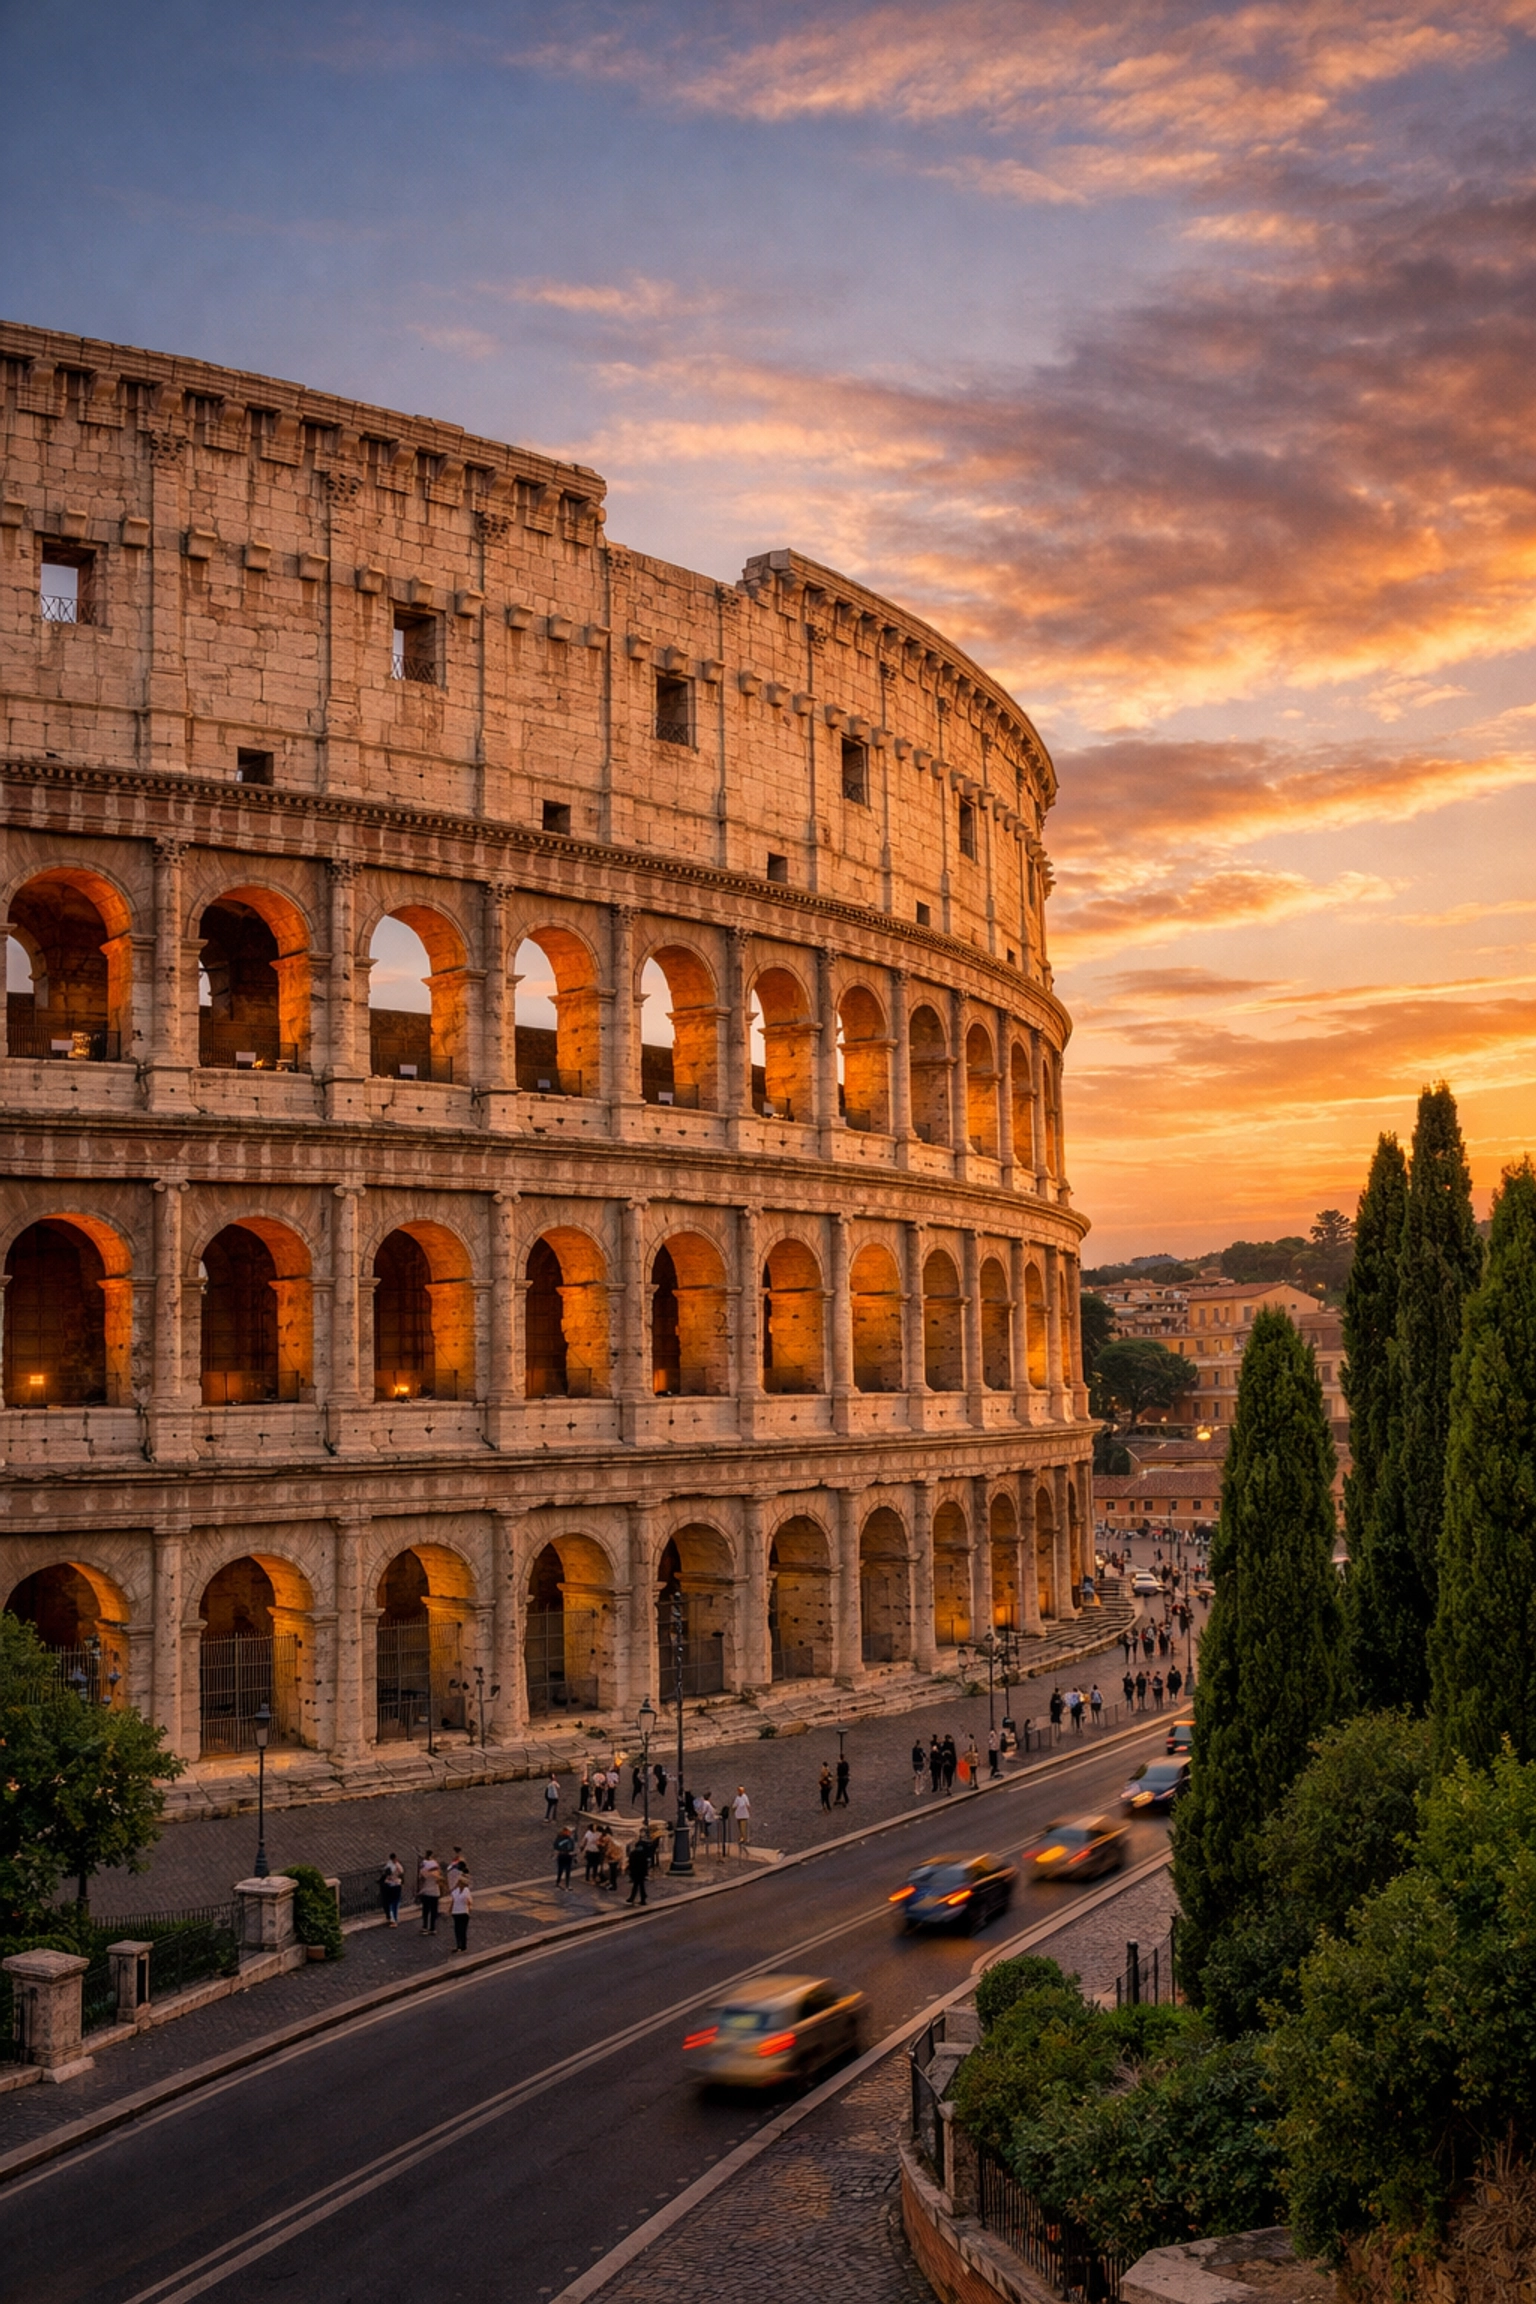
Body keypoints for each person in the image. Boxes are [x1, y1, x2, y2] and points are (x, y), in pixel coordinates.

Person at [418, 1851, 442, 1934]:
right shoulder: (437, 1874)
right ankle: (432, 1928)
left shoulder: (424, 1872)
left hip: (426, 1893)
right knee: (433, 1911)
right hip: (435, 1893)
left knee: (425, 1911)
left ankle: (425, 1926)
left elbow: (421, 1881)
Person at [449, 1870, 472, 1953]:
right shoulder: (456, 1891)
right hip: (456, 1912)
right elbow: (453, 1900)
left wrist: (468, 1909)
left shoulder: (466, 1891)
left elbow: (469, 1902)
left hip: (463, 1912)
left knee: (462, 1929)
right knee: (457, 1929)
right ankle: (459, 1945)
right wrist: (450, 1910)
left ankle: (463, 1945)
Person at [626, 1833, 652, 1906]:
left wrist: (630, 1871)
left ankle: (634, 1898)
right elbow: (645, 1865)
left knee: (637, 1885)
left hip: (636, 1872)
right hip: (640, 1872)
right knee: (640, 1885)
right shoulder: (643, 1854)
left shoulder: (634, 1854)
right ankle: (641, 1898)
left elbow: (631, 1864)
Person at [380, 1852, 403, 1927]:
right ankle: (394, 1920)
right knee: (395, 1903)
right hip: (396, 1885)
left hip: (388, 1885)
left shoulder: (388, 1864)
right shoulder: (396, 1865)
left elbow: (384, 1872)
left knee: (390, 1903)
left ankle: (390, 1917)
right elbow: (401, 1871)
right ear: (395, 1858)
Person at [554, 1824, 575, 1889]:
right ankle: (558, 1881)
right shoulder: (560, 1838)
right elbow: (556, 1846)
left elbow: (572, 1847)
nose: (570, 1833)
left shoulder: (570, 1839)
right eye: (569, 1832)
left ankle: (567, 1884)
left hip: (568, 1856)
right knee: (561, 1869)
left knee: (568, 1870)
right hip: (562, 1855)